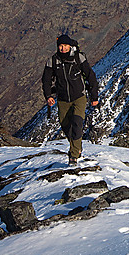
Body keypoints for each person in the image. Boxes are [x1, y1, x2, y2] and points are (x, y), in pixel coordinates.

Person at [42, 34, 100, 165]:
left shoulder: (78, 58)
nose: (63, 48)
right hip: (62, 98)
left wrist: (94, 96)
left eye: (65, 46)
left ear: (70, 46)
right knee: (65, 124)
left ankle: (73, 155)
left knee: (77, 123)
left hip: (79, 96)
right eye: (60, 46)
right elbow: (46, 80)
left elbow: (91, 76)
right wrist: (48, 96)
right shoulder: (53, 61)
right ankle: (77, 145)